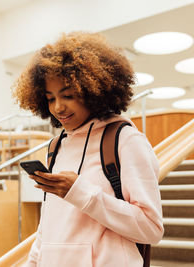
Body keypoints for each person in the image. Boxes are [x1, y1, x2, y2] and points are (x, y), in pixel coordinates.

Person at [13, 31, 163, 267]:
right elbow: (50, 225)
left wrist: (79, 192)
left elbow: (151, 228)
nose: (58, 107)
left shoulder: (124, 139)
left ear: (94, 91)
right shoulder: (56, 146)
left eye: (68, 95)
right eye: (50, 98)